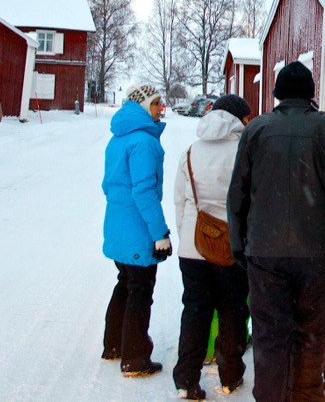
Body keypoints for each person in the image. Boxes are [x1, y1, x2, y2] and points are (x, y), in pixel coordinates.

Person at [227, 61, 325, 402]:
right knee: (311, 332)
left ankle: (271, 395)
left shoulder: (256, 130)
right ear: (310, 94)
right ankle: (305, 395)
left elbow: (237, 194)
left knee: (269, 334)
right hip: (314, 252)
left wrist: (238, 243)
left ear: (278, 95)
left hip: (264, 250)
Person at [172, 94, 252, 400]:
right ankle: (230, 375)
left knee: (194, 311)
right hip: (232, 248)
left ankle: (186, 380)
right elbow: (250, 201)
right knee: (232, 312)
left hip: (194, 247)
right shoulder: (243, 152)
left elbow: (181, 200)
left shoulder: (190, 152)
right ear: (237, 119)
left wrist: (187, 237)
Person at [101, 84, 172, 378]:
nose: (161, 108)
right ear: (142, 106)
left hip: (118, 224)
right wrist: (160, 233)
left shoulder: (118, 138)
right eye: (156, 103)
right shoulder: (143, 141)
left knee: (125, 282)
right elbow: (144, 191)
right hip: (138, 227)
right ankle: (135, 356)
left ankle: (114, 344)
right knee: (141, 289)